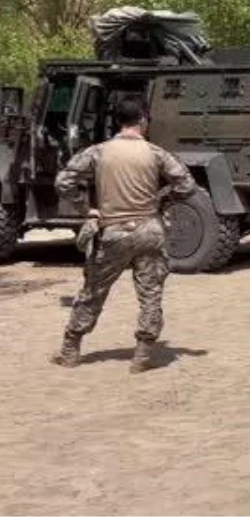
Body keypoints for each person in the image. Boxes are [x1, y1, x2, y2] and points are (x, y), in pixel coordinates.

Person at [51, 95, 197, 372]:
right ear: (142, 119)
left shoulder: (98, 152)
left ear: (118, 121)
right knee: (151, 293)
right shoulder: (156, 153)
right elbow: (187, 186)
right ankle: (142, 354)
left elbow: (64, 181)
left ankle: (70, 349)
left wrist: (86, 208)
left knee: (93, 291)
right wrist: (162, 200)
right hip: (149, 230)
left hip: (113, 230)